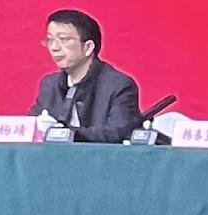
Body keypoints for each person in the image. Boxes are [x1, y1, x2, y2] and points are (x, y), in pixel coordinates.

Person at [30, 9, 142, 143]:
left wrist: (67, 134)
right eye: (50, 40)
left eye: (63, 39)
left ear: (88, 47)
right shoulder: (50, 85)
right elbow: (32, 126)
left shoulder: (118, 85)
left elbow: (117, 133)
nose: (54, 47)